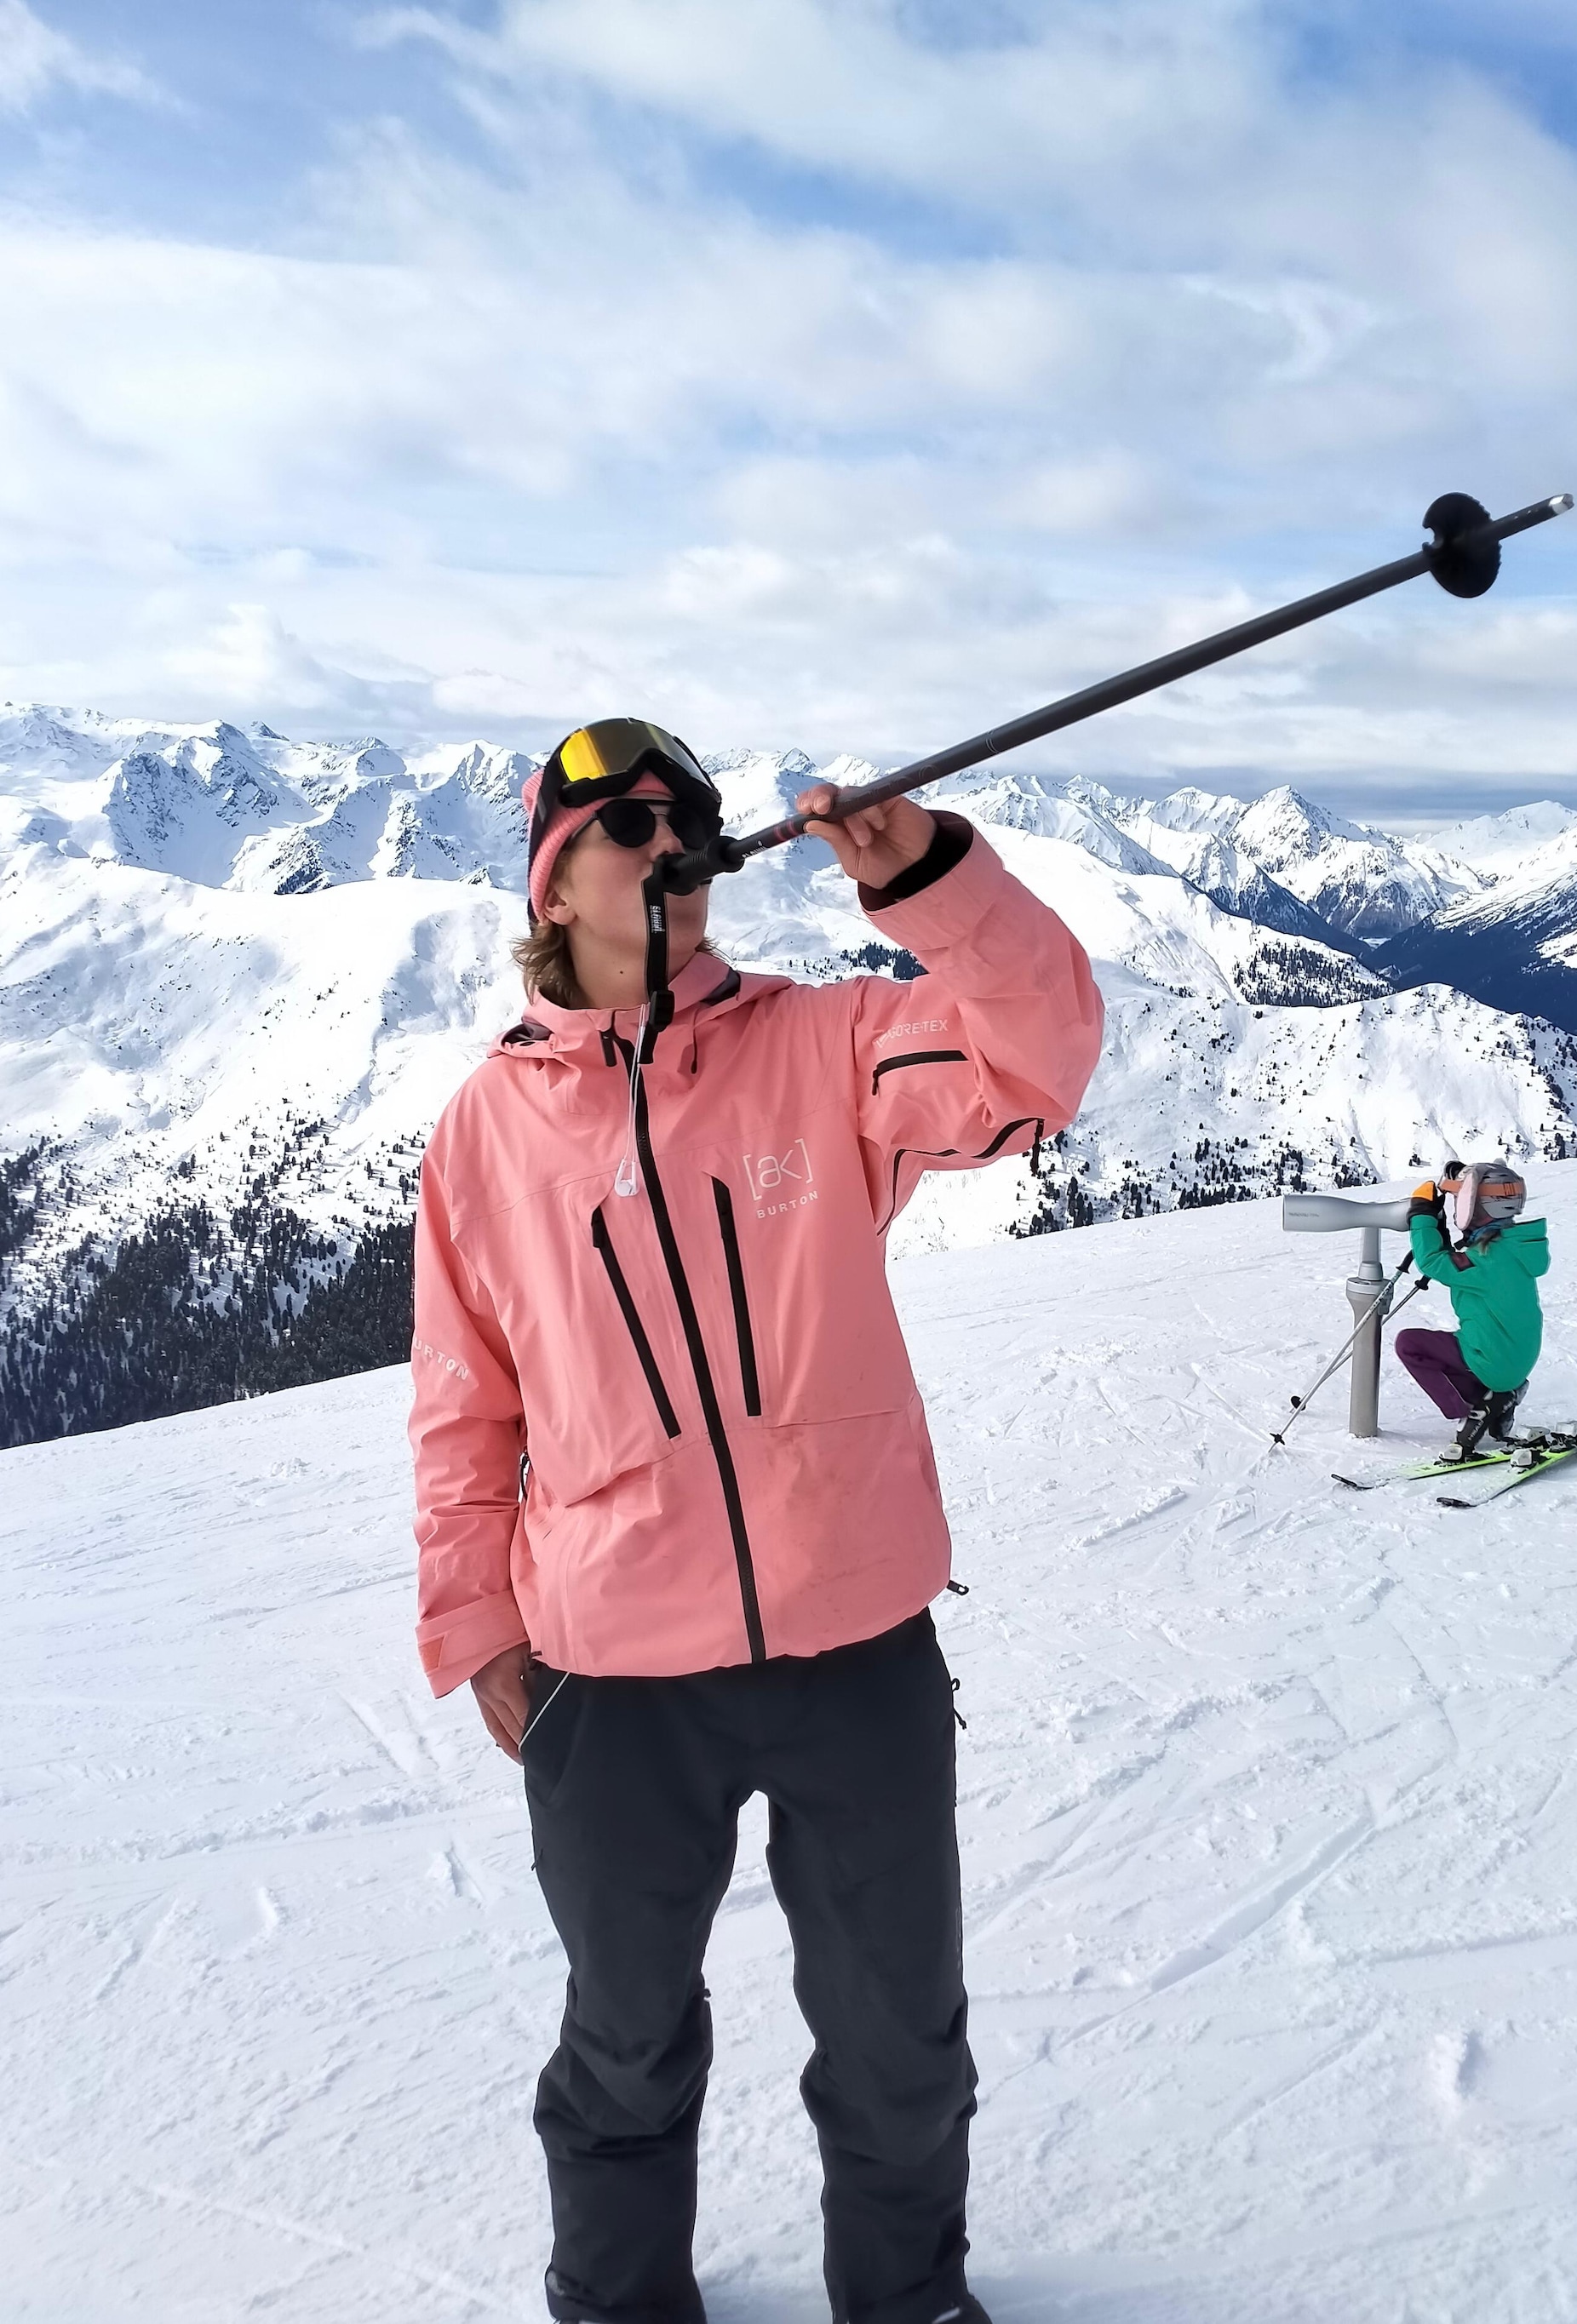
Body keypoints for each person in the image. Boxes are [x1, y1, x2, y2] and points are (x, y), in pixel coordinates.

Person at [408, 718, 1104, 2324]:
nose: (668, 842)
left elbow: (1034, 1065)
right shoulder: (483, 1133)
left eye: (689, 818)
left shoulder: (826, 1049)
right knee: (625, 2037)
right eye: (625, 821)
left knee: (897, 2029)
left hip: (853, 1637)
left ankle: (906, 2298)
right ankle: (617, 2303)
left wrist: (930, 884)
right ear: (552, 875)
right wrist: (477, 1624)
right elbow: (463, 1404)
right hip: (608, 1670)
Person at [1394, 1159, 1548, 1458]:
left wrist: (1422, 1215)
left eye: (1462, 1200)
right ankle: (1499, 1396)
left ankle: (1473, 1409)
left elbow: (1433, 1262)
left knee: (1410, 1344)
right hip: (1516, 1360)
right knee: (1459, 1344)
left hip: (1494, 1360)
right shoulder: (1513, 1248)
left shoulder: (1486, 1259)